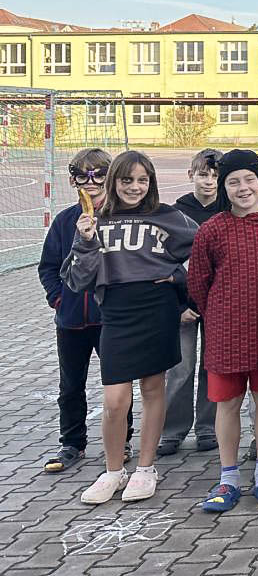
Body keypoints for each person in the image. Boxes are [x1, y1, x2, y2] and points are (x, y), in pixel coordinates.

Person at [61, 151, 199, 504]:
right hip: (117, 313)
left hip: (157, 310)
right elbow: (77, 280)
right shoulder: (95, 220)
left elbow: (204, 248)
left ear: (151, 183)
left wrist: (178, 279)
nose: (135, 187)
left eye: (142, 180)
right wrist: (85, 241)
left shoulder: (167, 216)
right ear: (114, 182)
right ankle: (113, 471)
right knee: (115, 400)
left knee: (153, 389)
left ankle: (146, 468)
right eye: (126, 180)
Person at [188, 150, 258, 514]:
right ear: (224, 187)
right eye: (233, 182)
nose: (242, 187)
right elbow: (198, 282)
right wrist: (220, 314)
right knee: (228, 403)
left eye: (249, 179)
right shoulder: (212, 230)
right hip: (225, 333)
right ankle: (229, 476)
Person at [37, 148, 133, 475]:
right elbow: (48, 266)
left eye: (99, 174)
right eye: (83, 175)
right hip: (72, 320)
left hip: (111, 318)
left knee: (117, 383)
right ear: (73, 180)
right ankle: (72, 442)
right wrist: (59, 299)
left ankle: (123, 441)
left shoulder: (121, 218)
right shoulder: (65, 221)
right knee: (70, 385)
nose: (91, 181)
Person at [158, 148, 222, 457]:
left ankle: (208, 426)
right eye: (203, 174)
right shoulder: (175, 213)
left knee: (213, 367)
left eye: (215, 175)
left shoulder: (229, 209)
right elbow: (165, 262)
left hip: (218, 304)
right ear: (191, 175)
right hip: (184, 305)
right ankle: (172, 430)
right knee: (180, 370)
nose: (209, 181)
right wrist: (179, 304)